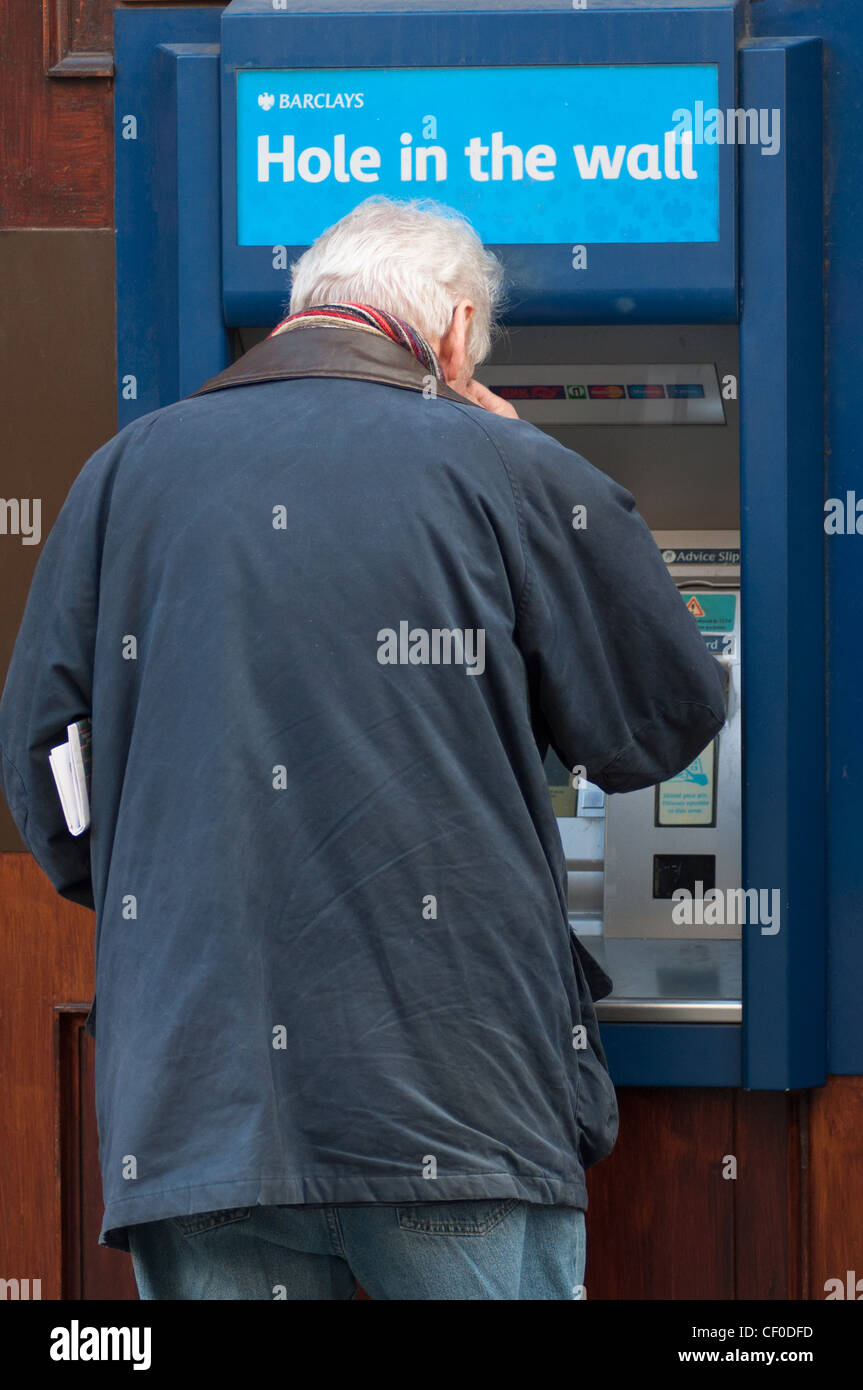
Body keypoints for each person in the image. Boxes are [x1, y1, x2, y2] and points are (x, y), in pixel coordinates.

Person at [0, 195, 725, 1301]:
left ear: (304, 311)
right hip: (455, 1094)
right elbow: (662, 715)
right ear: (449, 333)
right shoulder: (502, 466)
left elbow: (49, 789)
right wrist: (537, 461)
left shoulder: (118, 476)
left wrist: (197, 896)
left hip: (201, 1107)